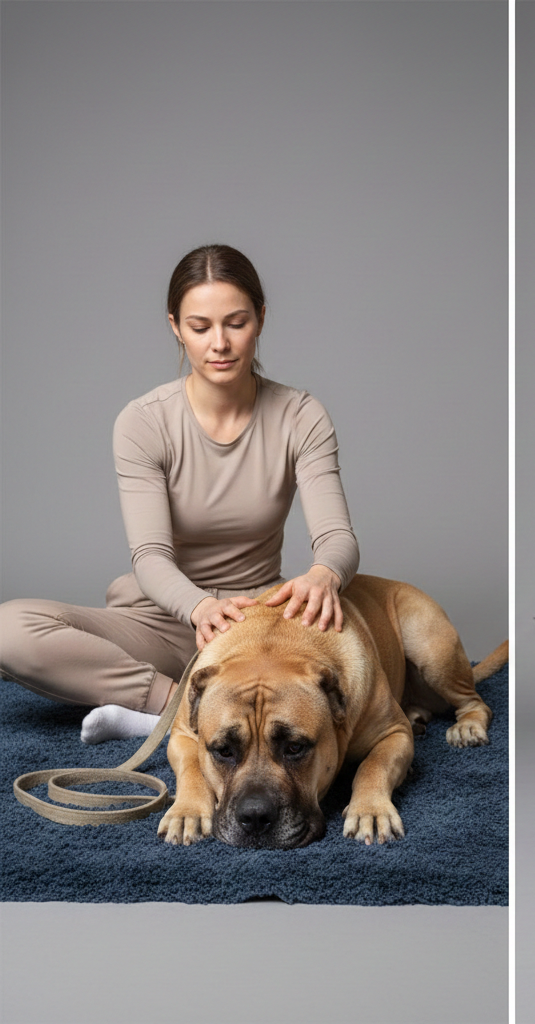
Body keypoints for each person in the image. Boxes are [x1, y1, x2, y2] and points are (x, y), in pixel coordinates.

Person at [0, 244, 359, 743]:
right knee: (9, 629)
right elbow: (150, 556)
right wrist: (199, 608)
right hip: (164, 622)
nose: (220, 343)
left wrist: (325, 574)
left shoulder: (301, 416)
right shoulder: (143, 422)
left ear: (260, 318)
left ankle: (158, 716)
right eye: (200, 327)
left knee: (352, 668)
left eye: (236, 323)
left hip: (257, 623)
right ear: (175, 327)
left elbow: (338, 537)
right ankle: (173, 709)